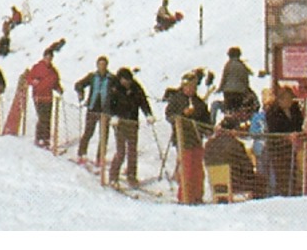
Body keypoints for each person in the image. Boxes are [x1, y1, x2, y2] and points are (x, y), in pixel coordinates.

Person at [164, 71, 212, 204]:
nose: (191, 89)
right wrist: (182, 114)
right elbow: (169, 115)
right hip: (183, 138)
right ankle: (185, 196)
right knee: (187, 169)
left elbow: (206, 119)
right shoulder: (177, 99)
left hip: (196, 138)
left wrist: (208, 129)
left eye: (194, 86)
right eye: (188, 86)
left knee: (198, 170)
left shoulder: (199, 102)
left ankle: (197, 196)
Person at [107, 67, 154, 187]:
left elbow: (143, 101)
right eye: (125, 80)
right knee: (121, 151)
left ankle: (132, 175)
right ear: (120, 79)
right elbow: (108, 104)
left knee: (132, 150)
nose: (127, 83)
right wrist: (113, 116)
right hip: (120, 123)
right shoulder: (114, 88)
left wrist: (148, 114)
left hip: (132, 122)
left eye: (129, 80)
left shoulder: (136, 87)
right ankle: (113, 176)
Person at [204, 116, 266, 199]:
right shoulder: (237, 145)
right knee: (261, 179)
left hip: (215, 182)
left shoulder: (209, 144)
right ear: (233, 130)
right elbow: (247, 167)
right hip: (235, 182)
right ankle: (255, 204)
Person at [264, 84, 305, 197]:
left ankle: (293, 193)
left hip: (293, 146)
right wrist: (286, 137)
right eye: (288, 99)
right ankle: (283, 194)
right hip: (278, 147)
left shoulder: (295, 109)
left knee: (294, 172)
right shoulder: (272, 112)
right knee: (282, 174)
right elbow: (274, 129)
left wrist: (298, 134)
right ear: (281, 99)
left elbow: (300, 123)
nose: (290, 102)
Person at [75, 55, 114, 162]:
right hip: (92, 109)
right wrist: (80, 93)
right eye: (100, 64)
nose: (102, 66)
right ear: (97, 65)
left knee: (104, 136)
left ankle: (100, 157)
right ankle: (81, 153)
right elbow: (79, 84)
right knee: (88, 132)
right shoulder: (92, 77)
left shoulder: (111, 78)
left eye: (104, 64)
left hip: (105, 111)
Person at [28, 47, 63, 148]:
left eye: (50, 58)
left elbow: (55, 83)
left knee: (47, 118)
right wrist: (33, 81)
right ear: (44, 57)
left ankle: (46, 138)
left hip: (48, 97)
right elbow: (29, 78)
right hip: (38, 95)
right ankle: (39, 138)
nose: (48, 60)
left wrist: (59, 89)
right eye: (47, 57)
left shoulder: (53, 71)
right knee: (42, 117)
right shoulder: (37, 67)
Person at [217, 46, 254, 114]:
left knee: (229, 109)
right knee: (237, 110)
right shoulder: (242, 66)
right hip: (239, 92)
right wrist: (246, 90)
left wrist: (220, 88)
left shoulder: (228, 65)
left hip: (228, 91)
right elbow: (245, 80)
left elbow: (224, 78)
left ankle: (229, 118)